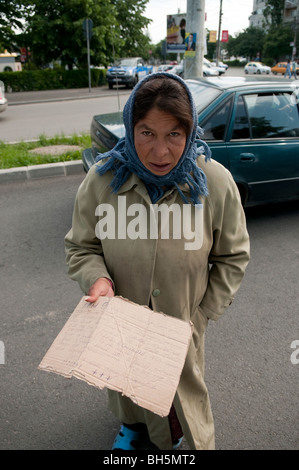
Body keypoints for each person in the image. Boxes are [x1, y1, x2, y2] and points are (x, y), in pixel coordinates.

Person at [64, 72, 250, 450]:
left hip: (182, 322)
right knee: (126, 388)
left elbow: (233, 256)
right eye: (147, 133)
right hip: (121, 322)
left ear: (190, 130)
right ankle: (131, 428)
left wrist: (200, 315)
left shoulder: (213, 183)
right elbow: (82, 247)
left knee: (180, 403)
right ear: (131, 128)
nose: (160, 151)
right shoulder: (103, 181)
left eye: (174, 135)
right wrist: (96, 280)